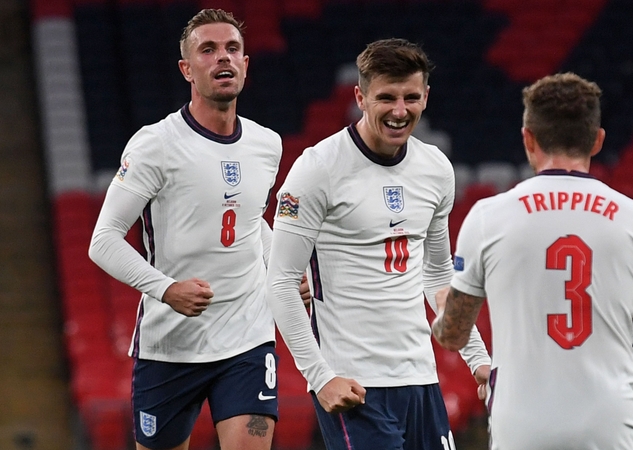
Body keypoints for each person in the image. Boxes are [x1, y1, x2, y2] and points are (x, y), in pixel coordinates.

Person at [432, 72, 633, 450]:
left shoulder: (488, 217)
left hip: (522, 428)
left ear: (528, 138)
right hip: (609, 427)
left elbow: (453, 335)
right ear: (597, 140)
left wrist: (443, 308)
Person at [266, 38, 491, 450]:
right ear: (361, 97)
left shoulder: (436, 168)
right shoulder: (318, 168)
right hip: (355, 385)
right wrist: (320, 378)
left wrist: (477, 358)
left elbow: (438, 274)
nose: (400, 111)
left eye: (411, 97)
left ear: (426, 96)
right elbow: (280, 282)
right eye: (386, 97)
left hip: (421, 378)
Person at [88, 9, 291, 450]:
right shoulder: (155, 144)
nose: (224, 58)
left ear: (246, 63)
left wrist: (283, 272)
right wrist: (167, 290)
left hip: (248, 339)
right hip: (171, 347)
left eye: (233, 49)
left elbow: (252, 222)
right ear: (187, 69)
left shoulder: (266, 144)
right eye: (209, 49)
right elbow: (102, 241)